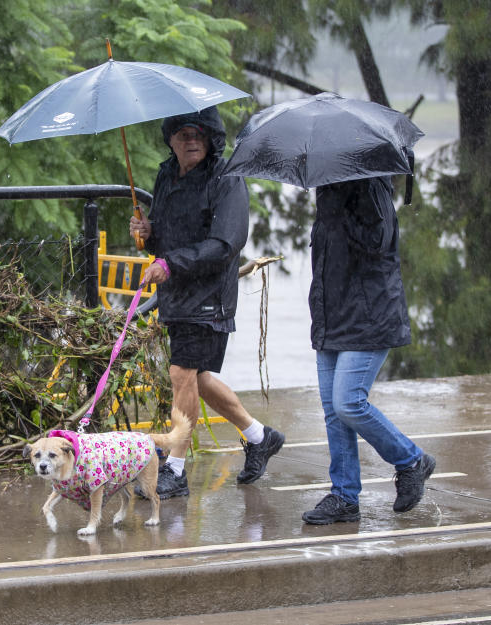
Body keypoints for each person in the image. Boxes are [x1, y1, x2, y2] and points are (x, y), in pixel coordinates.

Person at [128, 106, 285, 499]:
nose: (191, 140)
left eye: (199, 133)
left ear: (212, 136)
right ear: (171, 140)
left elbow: (225, 243)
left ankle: (176, 470)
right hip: (176, 292)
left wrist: (170, 261)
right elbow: (167, 233)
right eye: (182, 133)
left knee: (181, 375)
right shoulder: (166, 174)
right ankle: (258, 435)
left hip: (209, 295)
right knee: (195, 379)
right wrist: (148, 232)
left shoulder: (226, 176)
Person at [301, 176, 435, 524]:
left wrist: (342, 208)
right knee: (334, 411)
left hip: (370, 316)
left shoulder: (371, 186)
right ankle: (345, 496)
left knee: (349, 403)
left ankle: (411, 460)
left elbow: (378, 242)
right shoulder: (328, 189)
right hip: (332, 317)